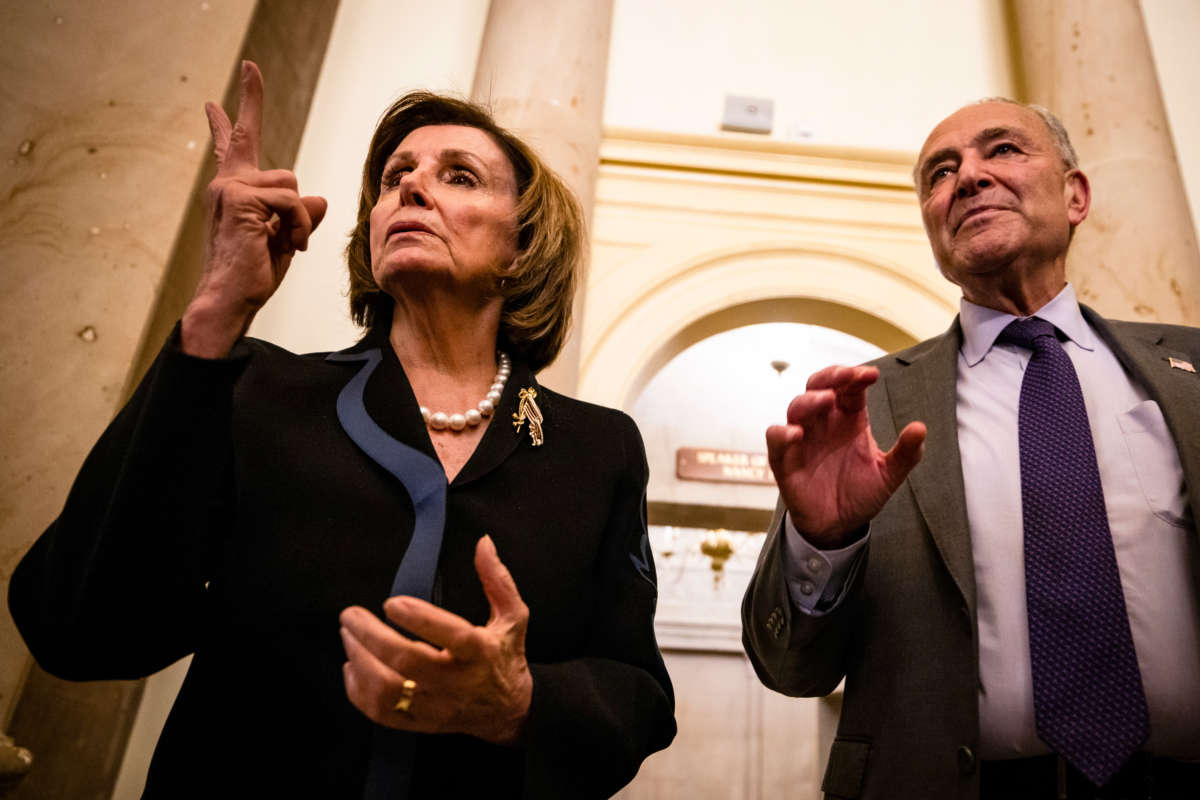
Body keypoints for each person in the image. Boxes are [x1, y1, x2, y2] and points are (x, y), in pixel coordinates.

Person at [9, 61, 675, 798]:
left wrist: (521, 706)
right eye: (395, 177)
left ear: (523, 246)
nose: (411, 188)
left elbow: (638, 695)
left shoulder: (598, 449)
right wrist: (214, 315)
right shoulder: (258, 391)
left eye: (459, 176)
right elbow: (75, 627)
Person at [742, 98, 1200, 800]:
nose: (969, 178)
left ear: (1076, 195)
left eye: (1004, 150)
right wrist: (822, 540)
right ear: (932, 224)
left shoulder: (1188, 373)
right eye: (941, 172)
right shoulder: (868, 406)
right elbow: (789, 667)